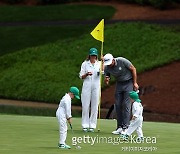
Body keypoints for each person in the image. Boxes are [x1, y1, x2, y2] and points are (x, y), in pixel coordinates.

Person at [103, 53, 139, 135]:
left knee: (126, 104)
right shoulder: (107, 67)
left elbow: (133, 69)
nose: (109, 65)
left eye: (110, 63)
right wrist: (106, 80)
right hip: (119, 83)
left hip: (128, 82)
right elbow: (107, 76)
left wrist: (135, 83)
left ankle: (125, 127)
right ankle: (119, 127)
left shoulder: (122, 61)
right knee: (118, 105)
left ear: (113, 59)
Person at [79, 48, 103, 132]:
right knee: (85, 106)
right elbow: (81, 76)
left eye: (94, 56)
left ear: (96, 56)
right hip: (87, 85)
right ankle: (85, 125)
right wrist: (86, 74)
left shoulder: (99, 63)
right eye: (92, 55)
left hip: (96, 86)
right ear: (89, 55)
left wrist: (103, 61)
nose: (93, 57)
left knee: (95, 106)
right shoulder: (85, 64)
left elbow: (103, 71)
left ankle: (92, 125)